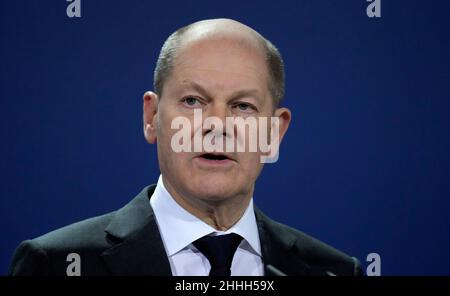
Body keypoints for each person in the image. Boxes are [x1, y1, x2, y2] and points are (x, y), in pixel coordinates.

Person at [9, 18, 362, 276]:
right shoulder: (56, 264)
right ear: (152, 116)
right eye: (193, 100)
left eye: (242, 106)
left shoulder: (332, 271)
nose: (217, 124)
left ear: (274, 132)